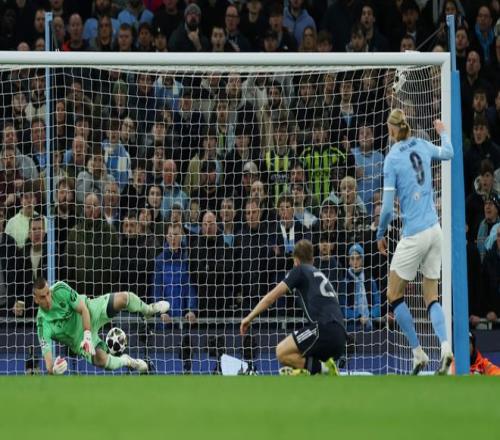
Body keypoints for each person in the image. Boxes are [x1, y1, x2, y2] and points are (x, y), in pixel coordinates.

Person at [376, 109, 454, 375]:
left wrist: (380, 233)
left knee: (393, 294)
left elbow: (387, 209)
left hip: (414, 234)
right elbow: (448, 153)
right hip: (435, 229)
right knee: (431, 295)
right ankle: (445, 348)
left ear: (392, 129)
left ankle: (418, 352)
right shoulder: (421, 143)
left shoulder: (392, 159)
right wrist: (443, 132)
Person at [240, 239, 346, 376]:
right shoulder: (318, 274)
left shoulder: (299, 270)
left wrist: (249, 318)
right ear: (313, 259)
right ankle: (310, 372)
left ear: (295, 260)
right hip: (340, 336)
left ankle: (325, 370)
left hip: (324, 329)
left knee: (282, 352)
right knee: (301, 358)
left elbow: (271, 297)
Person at [34, 276, 169, 375]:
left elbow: (83, 309)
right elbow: (49, 364)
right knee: (102, 360)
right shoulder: (42, 324)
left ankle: (148, 310)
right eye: (42, 297)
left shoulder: (60, 288)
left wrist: (87, 335)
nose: (48, 299)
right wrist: (54, 370)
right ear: (36, 299)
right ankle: (128, 361)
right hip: (78, 340)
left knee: (123, 298)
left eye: (48, 293)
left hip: (90, 311)